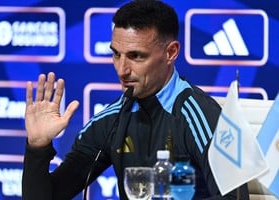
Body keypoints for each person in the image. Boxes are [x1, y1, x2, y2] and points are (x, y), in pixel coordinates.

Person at [22, 0, 249, 199]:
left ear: (171, 52)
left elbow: (235, 198)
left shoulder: (199, 115)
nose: (122, 70)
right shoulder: (111, 120)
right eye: (116, 54)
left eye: (136, 56)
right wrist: (37, 148)